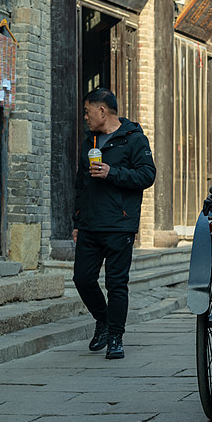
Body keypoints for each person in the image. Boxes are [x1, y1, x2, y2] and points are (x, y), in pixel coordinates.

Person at [72, 88, 156, 360]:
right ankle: (104, 320)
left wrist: (112, 172)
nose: (85, 117)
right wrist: (76, 220)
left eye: (87, 111)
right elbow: (80, 183)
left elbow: (147, 175)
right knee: (82, 278)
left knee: (116, 283)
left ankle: (116, 338)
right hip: (89, 224)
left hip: (119, 224)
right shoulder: (90, 141)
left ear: (102, 111)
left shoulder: (133, 139)